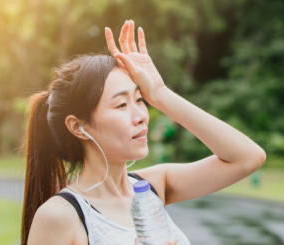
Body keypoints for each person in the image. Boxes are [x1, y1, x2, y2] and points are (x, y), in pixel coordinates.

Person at [22, 20, 266, 245]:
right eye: (121, 104)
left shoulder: (153, 186)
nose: (140, 115)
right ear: (78, 127)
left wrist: (159, 93)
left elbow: (248, 158)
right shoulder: (59, 216)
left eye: (139, 99)